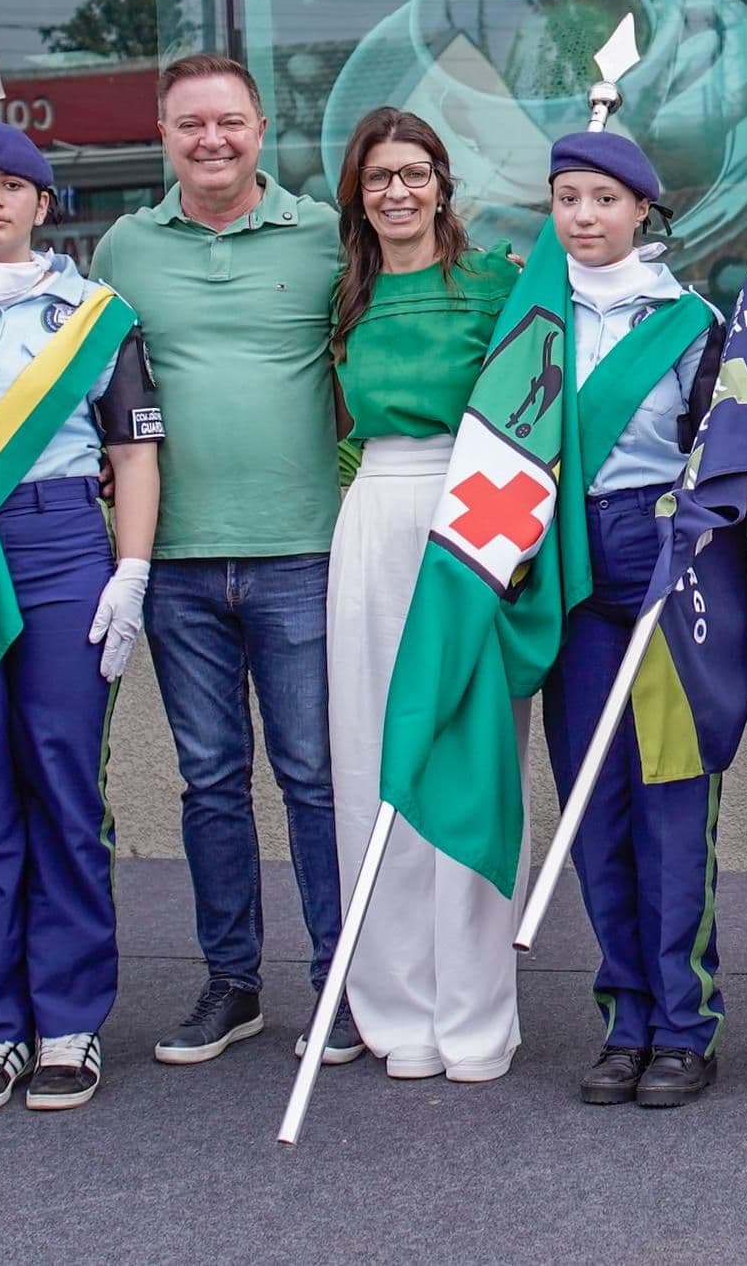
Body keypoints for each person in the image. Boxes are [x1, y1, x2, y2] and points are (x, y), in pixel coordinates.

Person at [87, 53, 348, 1067]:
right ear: (164, 135)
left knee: (315, 777)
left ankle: (339, 982)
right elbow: (96, 393)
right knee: (209, 781)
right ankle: (231, 983)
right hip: (176, 562)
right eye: (190, 124)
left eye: (229, 123)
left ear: (261, 127)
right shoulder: (125, 248)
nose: (211, 141)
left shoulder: (325, 235)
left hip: (301, 551)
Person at [0, 121, 161, 1117]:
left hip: (61, 541)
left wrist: (132, 570)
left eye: (10, 188)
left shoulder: (97, 315)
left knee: (62, 779)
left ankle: (67, 1018)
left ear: (42, 203)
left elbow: (137, 452)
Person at [538, 126, 740, 1111]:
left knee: (669, 797)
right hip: (566, 567)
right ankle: (623, 1016)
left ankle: (682, 1021)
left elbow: (726, 456)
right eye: (567, 198)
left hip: (659, 561)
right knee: (592, 799)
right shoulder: (529, 317)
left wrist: (689, 535)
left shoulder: (692, 321)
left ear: (641, 212)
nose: (584, 217)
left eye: (604, 200)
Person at [323, 107, 524, 1084]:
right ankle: (395, 1005)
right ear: (356, 197)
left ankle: (475, 1014)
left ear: (444, 183)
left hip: (473, 527)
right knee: (375, 762)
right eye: (377, 178)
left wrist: (516, 549)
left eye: (414, 173)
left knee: (470, 762)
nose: (396, 192)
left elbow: (536, 408)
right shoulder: (344, 299)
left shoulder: (495, 285)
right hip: (372, 525)